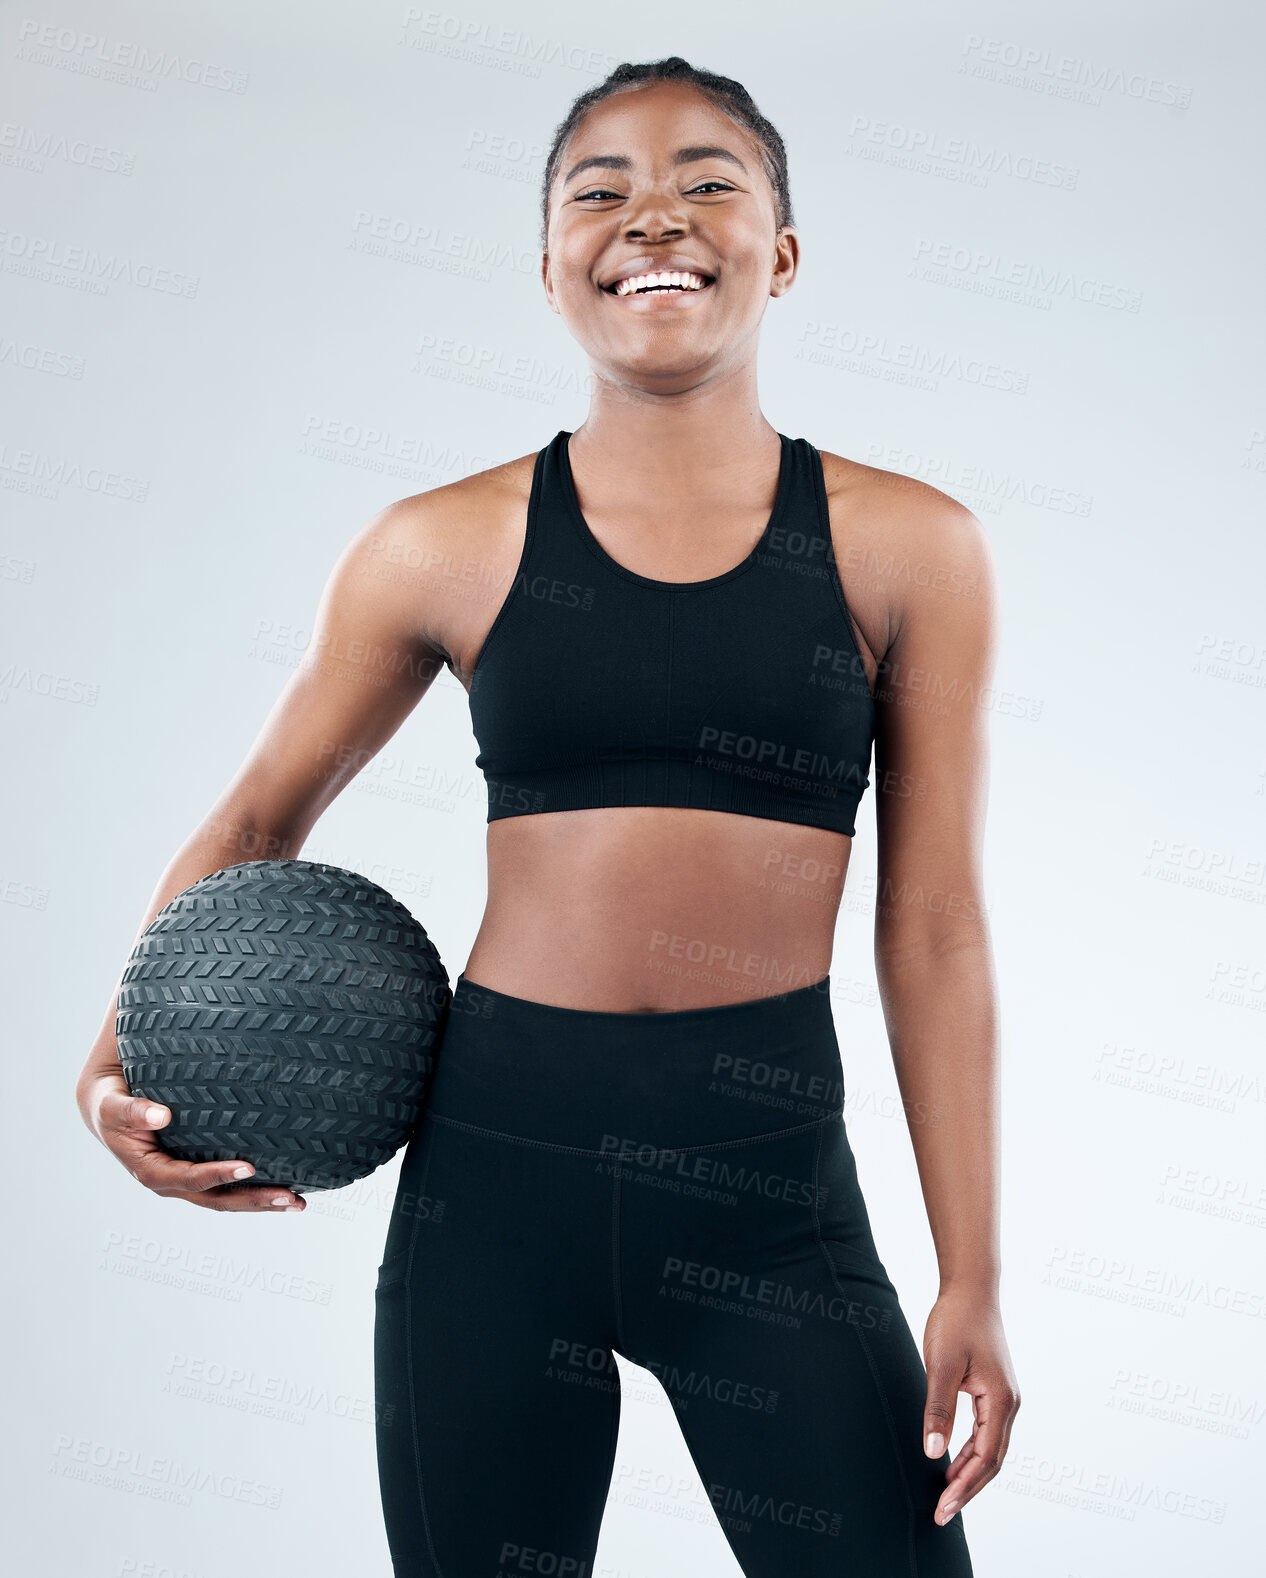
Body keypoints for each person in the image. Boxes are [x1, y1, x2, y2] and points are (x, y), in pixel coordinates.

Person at [76, 54, 1018, 1578]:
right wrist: (112, 1066)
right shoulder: (434, 546)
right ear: (549, 267)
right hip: (493, 1189)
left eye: (709, 179)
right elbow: (258, 816)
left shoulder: (911, 546)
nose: (656, 214)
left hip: (768, 1193)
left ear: (778, 253)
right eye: (603, 190)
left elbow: (935, 926)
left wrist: (969, 1271)